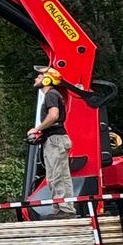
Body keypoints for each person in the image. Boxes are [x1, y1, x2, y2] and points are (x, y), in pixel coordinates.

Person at [28, 64, 77, 216]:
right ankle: (63, 208)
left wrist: (37, 129)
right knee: (61, 175)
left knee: (56, 175)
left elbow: (53, 115)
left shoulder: (51, 95)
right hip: (57, 139)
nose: (36, 78)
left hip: (55, 140)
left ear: (48, 78)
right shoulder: (54, 94)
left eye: (40, 76)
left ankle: (63, 209)